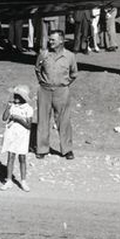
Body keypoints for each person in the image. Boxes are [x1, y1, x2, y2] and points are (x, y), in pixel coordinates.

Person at [34, 30, 78, 159]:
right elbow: (37, 69)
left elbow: (74, 73)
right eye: (50, 39)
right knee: (42, 120)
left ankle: (67, 150)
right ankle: (42, 149)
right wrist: (43, 81)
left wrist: (64, 84)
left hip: (62, 91)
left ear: (61, 41)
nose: (50, 42)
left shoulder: (70, 56)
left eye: (53, 39)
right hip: (45, 90)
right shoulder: (43, 54)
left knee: (64, 121)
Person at [0, 84, 33, 192]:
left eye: (18, 97)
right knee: (11, 156)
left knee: (22, 158)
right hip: (11, 134)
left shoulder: (28, 109)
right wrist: (8, 107)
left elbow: (29, 125)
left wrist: (18, 119)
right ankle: (8, 180)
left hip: (22, 135)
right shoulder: (12, 106)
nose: (15, 99)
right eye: (15, 96)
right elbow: (4, 118)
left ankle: (23, 181)